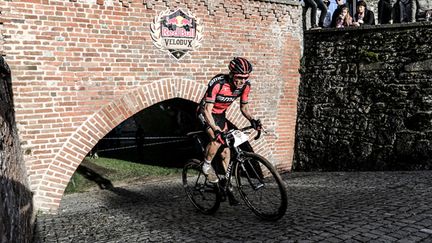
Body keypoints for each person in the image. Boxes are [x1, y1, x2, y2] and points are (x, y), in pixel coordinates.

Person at [197, 57, 262, 189]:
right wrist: (215, 130)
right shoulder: (218, 83)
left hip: (220, 115)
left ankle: (227, 182)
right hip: (205, 113)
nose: (242, 81)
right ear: (232, 74)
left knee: (226, 151)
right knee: (217, 139)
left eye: (245, 78)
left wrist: (252, 120)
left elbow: (244, 107)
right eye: (239, 77)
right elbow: (207, 110)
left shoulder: (245, 86)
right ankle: (206, 165)